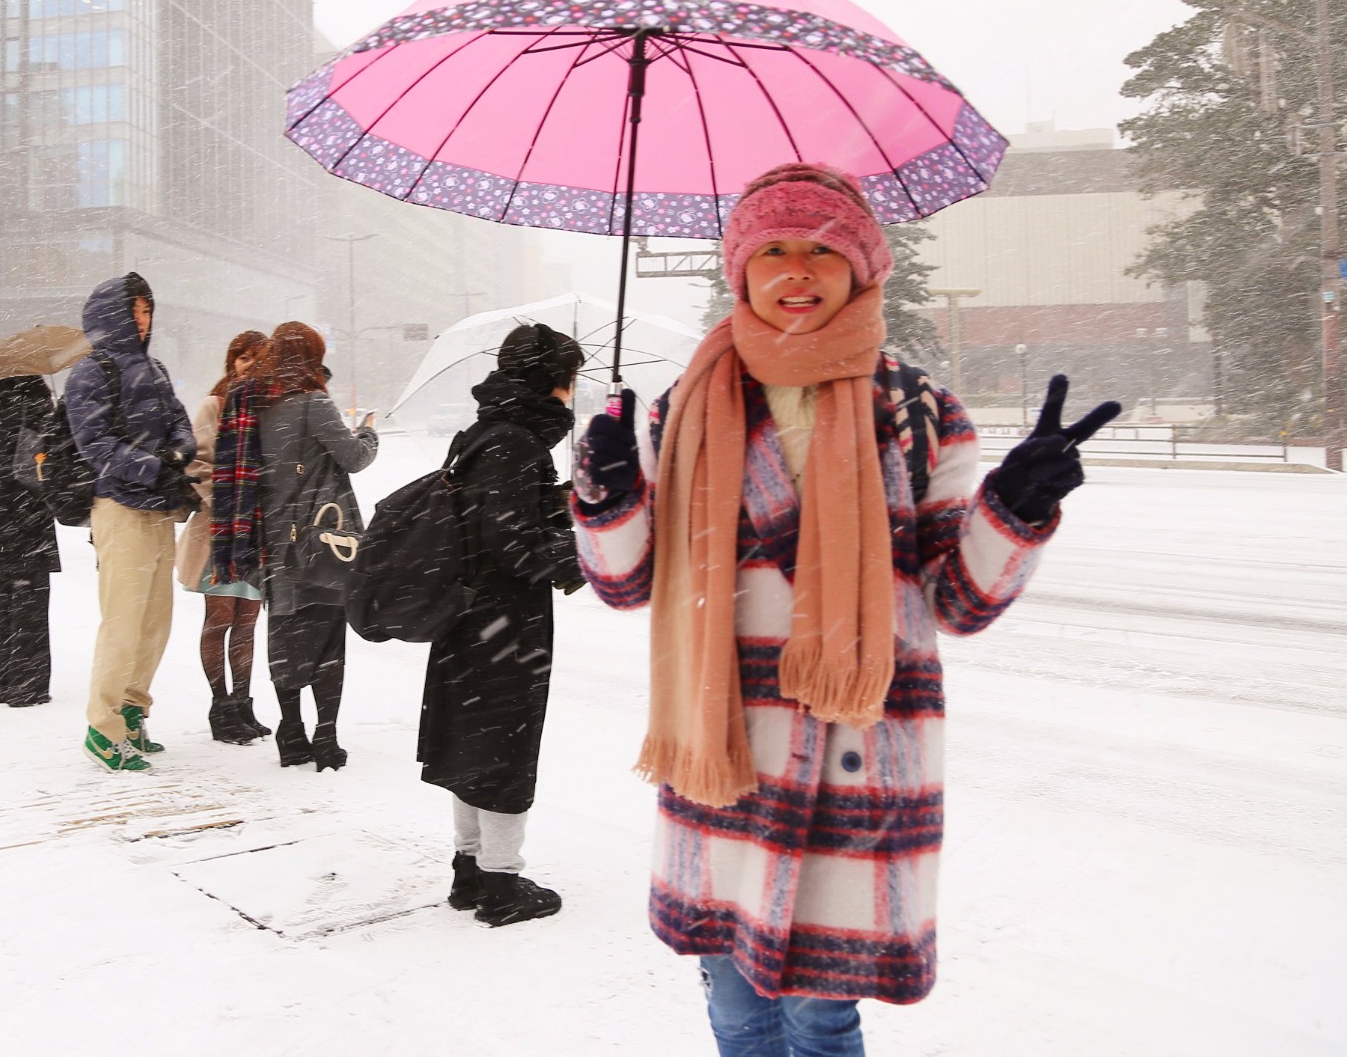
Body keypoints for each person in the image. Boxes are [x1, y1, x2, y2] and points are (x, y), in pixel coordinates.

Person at [571, 163, 1119, 1056]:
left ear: (863, 268)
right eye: (774, 249)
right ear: (739, 268)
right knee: (735, 1000)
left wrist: (1015, 507)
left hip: (856, 743)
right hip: (725, 748)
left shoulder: (916, 407)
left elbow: (959, 599)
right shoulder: (687, 407)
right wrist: (606, 490)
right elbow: (627, 582)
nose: (798, 269)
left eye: (824, 250)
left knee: (823, 1015)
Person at [420, 322, 585, 928]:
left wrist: (569, 497)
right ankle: (500, 882)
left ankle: (470, 869)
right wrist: (585, 558)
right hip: (504, 622)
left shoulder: (483, 433)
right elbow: (513, 544)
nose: (572, 394)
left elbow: (498, 516)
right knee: (505, 749)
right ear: (551, 382)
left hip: (467, 617)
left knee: (472, 742)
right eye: (570, 381)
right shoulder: (518, 443)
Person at [211, 322, 377, 771]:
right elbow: (353, 458)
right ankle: (326, 738)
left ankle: (290, 731)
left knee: (284, 635)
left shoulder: (255, 407)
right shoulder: (313, 403)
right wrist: (368, 433)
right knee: (327, 640)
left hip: (274, 541)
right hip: (320, 541)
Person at [65, 272, 199, 772]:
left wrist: (179, 449)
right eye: (134, 312)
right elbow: (93, 443)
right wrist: (153, 466)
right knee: (122, 621)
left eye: (148, 312)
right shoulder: (90, 371)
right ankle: (103, 728)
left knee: (154, 622)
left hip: (159, 509)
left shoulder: (156, 369)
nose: (143, 322)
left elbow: (179, 420)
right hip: (118, 508)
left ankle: (133, 711)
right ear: (112, 316)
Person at [178, 331, 273, 745]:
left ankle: (243, 703)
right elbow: (196, 463)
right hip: (218, 532)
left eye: (258, 358)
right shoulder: (213, 404)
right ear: (231, 360)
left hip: (255, 532)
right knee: (220, 619)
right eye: (243, 357)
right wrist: (230, 499)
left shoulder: (271, 407)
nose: (249, 365)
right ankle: (220, 707)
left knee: (248, 622)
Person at [0, 373, 61, 706]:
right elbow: (49, 454)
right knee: (32, 603)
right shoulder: (35, 398)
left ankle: (6, 682)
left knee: (5, 600)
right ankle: (29, 685)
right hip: (28, 515)